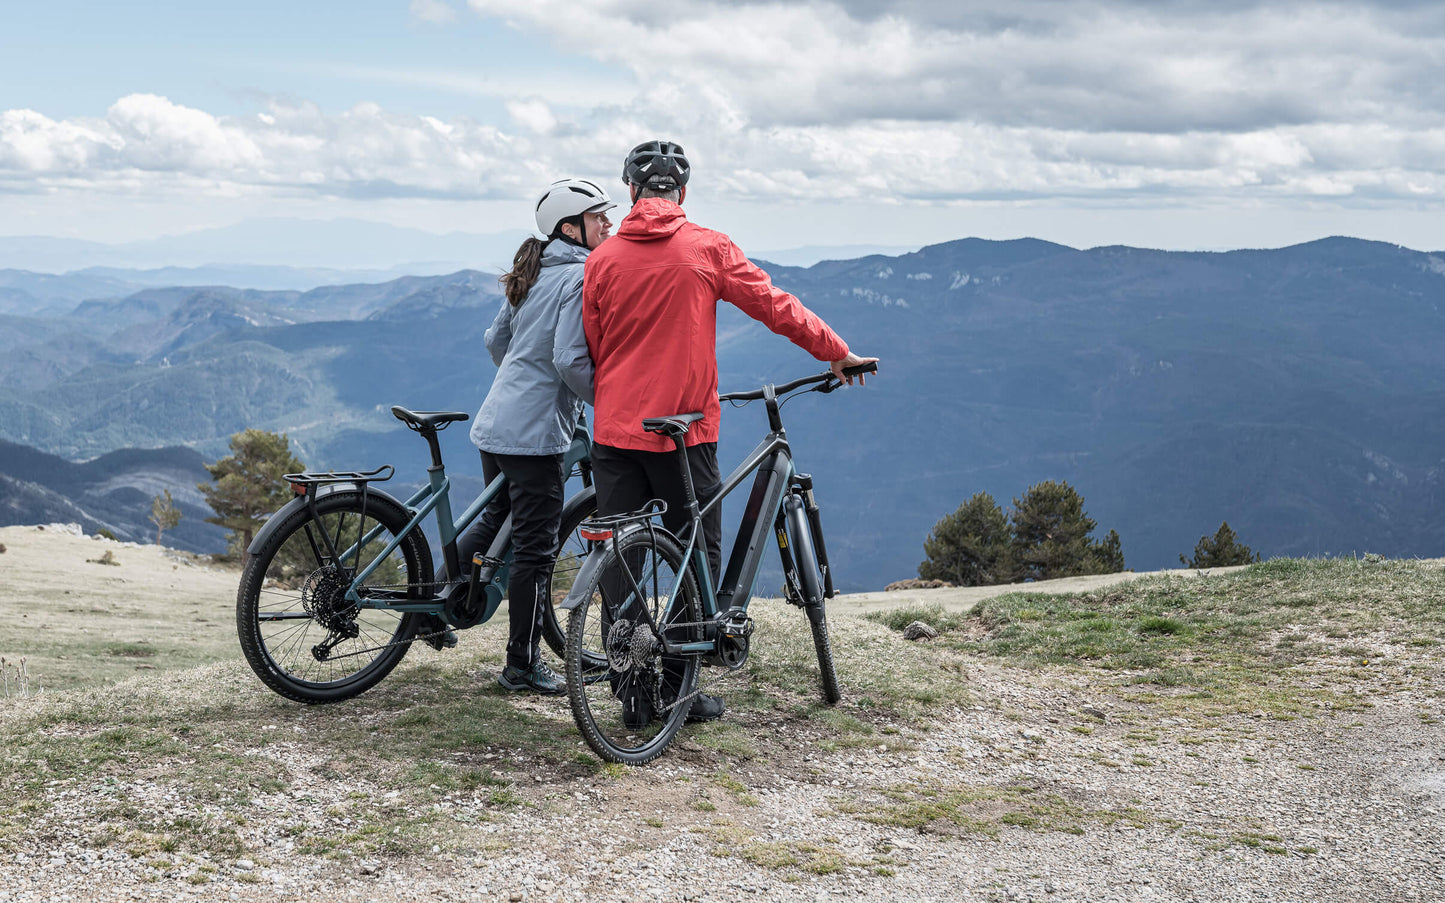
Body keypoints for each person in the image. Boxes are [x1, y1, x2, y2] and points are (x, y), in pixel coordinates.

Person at [582, 140, 876, 723]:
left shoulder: (603, 259)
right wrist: (836, 351)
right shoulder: (707, 248)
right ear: (682, 194)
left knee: (620, 561)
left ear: (632, 193)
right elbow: (773, 304)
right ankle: (680, 688)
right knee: (698, 551)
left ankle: (634, 695)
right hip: (682, 433)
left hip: (614, 430)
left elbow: (594, 343)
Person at [428, 177, 614, 695]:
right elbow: (568, 359)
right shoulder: (578, 277)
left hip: (497, 423)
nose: (609, 224)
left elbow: (496, 341)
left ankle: (434, 598)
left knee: (495, 518)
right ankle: (522, 665)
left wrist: (519, 375)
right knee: (534, 550)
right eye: (599, 217)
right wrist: (608, 400)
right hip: (533, 435)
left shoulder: (537, 271)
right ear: (570, 227)